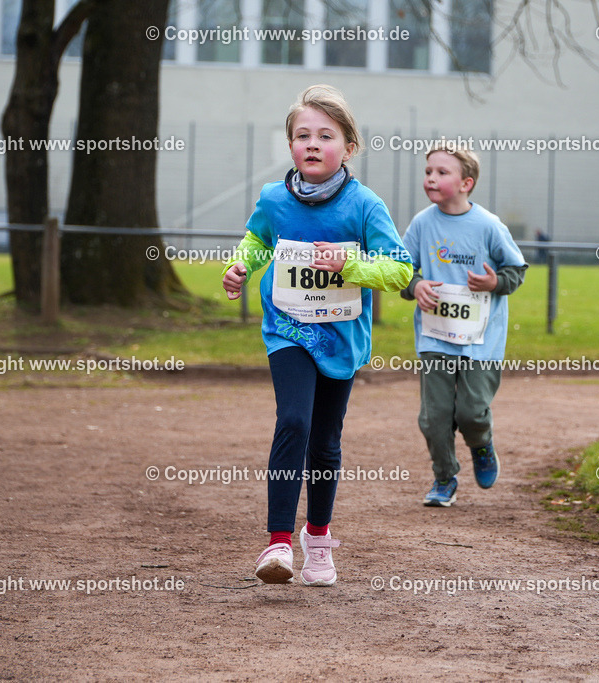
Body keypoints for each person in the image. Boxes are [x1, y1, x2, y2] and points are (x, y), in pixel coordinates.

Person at [221, 85, 412, 586]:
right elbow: (258, 240)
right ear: (290, 146)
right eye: (302, 135)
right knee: (294, 421)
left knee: (325, 442)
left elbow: (399, 270)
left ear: (348, 147)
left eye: (325, 136)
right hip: (286, 329)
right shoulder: (273, 199)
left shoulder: (365, 206)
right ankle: (278, 543)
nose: (312, 144)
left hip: (340, 339)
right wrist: (242, 266)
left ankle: (318, 538)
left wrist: (350, 262)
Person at [400, 141, 528, 507]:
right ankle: (444, 478)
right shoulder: (422, 224)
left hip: (481, 342)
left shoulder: (488, 225)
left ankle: (481, 443)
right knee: (434, 418)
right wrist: (416, 285)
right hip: (435, 338)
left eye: (442, 172)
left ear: (466, 183)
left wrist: (494, 283)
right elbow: (401, 270)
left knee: (471, 412)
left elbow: (515, 271)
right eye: (428, 172)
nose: (431, 178)